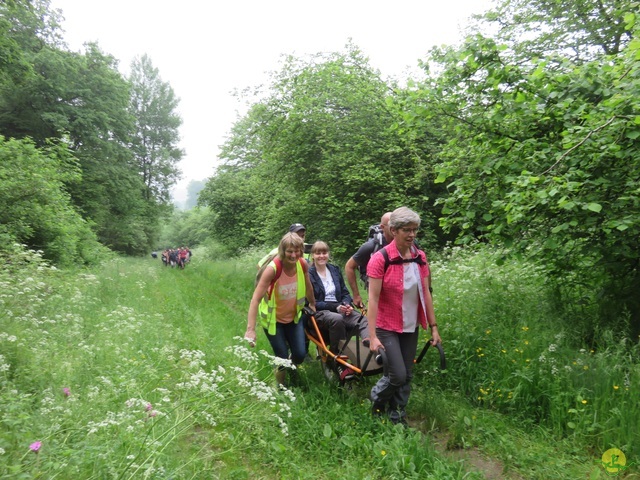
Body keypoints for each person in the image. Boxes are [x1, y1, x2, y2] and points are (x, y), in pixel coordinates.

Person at [367, 207, 441, 425]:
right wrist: (372, 336)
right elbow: (373, 299)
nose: (411, 235)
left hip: (410, 324)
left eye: (415, 230)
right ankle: (377, 399)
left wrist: (434, 326)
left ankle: (397, 415)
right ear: (393, 230)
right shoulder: (380, 259)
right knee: (397, 374)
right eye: (406, 230)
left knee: (407, 375)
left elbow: (426, 292)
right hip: (386, 325)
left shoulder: (420, 257)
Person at [245, 232, 316, 386]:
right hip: (273, 321)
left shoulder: (302, 264)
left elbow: (308, 284)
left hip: (293, 318)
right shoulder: (273, 269)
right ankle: (281, 387)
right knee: (281, 357)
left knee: (300, 354)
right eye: (289, 251)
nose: (293, 255)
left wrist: (312, 304)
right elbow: (255, 299)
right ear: (282, 251)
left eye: (297, 251)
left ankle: (291, 368)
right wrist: (250, 329)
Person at [308, 241, 370, 382]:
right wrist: (336, 307)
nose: (322, 256)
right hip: (320, 312)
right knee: (337, 319)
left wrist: (347, 304)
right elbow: (311, 302)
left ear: (328, 254)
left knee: (363, 319)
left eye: (324, 253)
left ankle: (369, 347)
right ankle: (337, 359)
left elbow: (345, 293)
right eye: (318, 253)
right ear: (313, 255)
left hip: (341, 309)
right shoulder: (308, 275)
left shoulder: (335, 270)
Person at [345, 212, 393, 308]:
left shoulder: (407, 243)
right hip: (377, 289)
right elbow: (349, 266)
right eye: (391, 225)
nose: (395, 228)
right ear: (382, 227)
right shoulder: (371, 246)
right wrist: (356, 295)